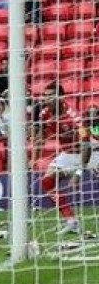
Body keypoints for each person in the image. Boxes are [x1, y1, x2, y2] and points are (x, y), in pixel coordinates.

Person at [34, 82, 89, 236]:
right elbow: (42, 136)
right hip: (66, 154)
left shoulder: (75, 118)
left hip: (88, 155)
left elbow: (87, 147)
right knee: (46, 181)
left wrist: (78, 173)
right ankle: (71, 221)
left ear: (61, 97)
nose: (47, 99)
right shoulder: (44, 114)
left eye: (51, 95)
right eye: (45, 96)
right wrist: (35, 155)